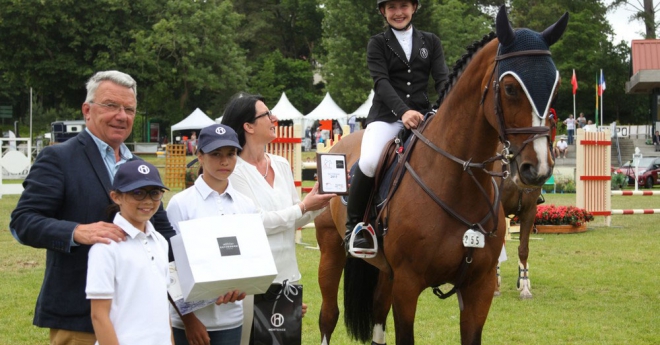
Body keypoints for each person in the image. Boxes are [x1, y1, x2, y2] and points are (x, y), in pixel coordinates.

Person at [9, 70, 176, 345]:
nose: (121, 115)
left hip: (140, 322)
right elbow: (22, 222)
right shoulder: (59, 158)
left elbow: (164, 234)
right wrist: (76, 231)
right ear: (87, 110)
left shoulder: (138, 167)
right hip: (82, 318)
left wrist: (210, 281)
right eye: (111, 105)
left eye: (129, 108)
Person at [220, 92, 335, 344]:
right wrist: (304, 206)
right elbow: (255, 223)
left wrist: (322, 200)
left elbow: (294, 218)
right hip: (253, 285)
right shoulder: (234, 170)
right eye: (267, 114)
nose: (275, 117)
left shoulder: (282, 164)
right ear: (248, 126)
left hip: (287, 279)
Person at [345, 0, 449, 256]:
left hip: (425, 117)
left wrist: (441, 110)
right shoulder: (377, 43)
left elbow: (443, 79)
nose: (398, 12)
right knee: (369, 162)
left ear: (414, 8)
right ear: (383, 11)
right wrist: (403, 112)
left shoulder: (431, 41)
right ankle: (356, 227)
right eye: (391, 7)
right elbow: (381, 82)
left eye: (403, 6)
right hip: (386, 117)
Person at [166, 124, 253, 345]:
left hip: (231, 319)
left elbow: (249, 260)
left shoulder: (246, 205)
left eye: (230, 154)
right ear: (200, 156)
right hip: (189, 322)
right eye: (216, 154)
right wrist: (189, 320)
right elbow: (171, 268)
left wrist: (242, 287)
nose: (224, 161)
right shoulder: (181, 204)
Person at [86, 161, 173, 345]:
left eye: (155, 193)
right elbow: (99, 315)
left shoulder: (160, 242)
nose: (148, 201)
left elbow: (162, 307)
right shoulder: (106, 247)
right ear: (116, 197)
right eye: (138, 193)